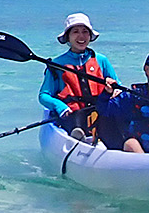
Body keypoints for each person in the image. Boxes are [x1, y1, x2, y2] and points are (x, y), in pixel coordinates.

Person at [38, 13, 121, 141]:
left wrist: (116, 90)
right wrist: (60, 106)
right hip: (72, 114)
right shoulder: (56, 65)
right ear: (68, 37)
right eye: (75, 32)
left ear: (90, 35)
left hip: (99, 112)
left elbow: (117, 85)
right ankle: (79, 137)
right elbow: (44, 95)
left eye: (85, 32)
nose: (81, 36)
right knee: (77, 120)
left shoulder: (101, 60)